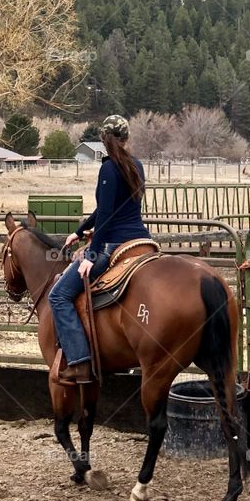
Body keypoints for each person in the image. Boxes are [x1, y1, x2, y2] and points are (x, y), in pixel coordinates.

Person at [48, 115, 150, 383]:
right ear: (127, 138)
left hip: (114, 245)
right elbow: (110, 209)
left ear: (104, 139)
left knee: (58, 296)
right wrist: (79, 231)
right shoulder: (136, 165)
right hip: (142, 241)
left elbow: (106, 213)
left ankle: (80, 362)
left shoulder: (108, 168)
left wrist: (91, 254)